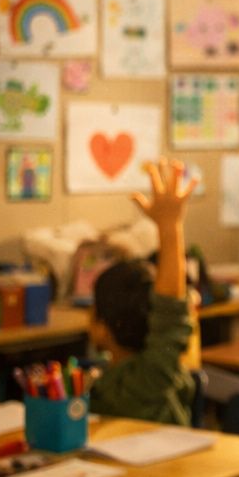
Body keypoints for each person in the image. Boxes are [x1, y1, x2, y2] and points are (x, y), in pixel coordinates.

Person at [89, 156, 197, 427]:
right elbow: (167, 316)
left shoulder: (149, 378)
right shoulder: (109, 376)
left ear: (102, 327)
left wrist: (169, 227)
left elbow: (170, 311)